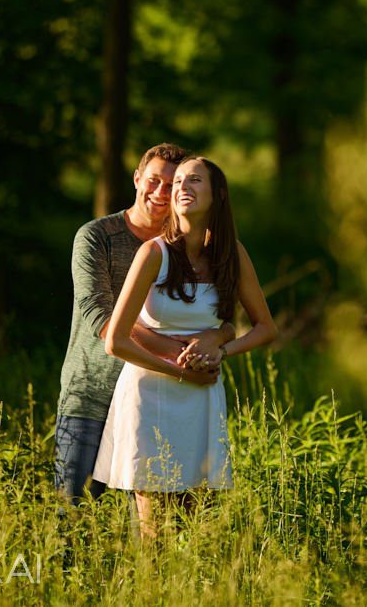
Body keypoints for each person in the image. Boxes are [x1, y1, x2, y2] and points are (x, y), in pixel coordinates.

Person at [93, 156, 277, 538]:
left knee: (198, 524)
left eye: (194, 180)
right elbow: (116, 340)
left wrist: (220, 349)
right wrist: (180, 371)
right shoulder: (154, 254)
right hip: (151, 393)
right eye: (177, 182)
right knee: (155, 531)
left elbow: (265, 328)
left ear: (218, 194)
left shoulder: (231, 255)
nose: (180, 188)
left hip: (204, 394)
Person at [55, 143, 236, 506]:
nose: (161, 192)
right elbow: (100, 315)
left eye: (172, 185)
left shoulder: (187, 248)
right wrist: (184, 357)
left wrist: (216, 338)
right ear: (137, 179)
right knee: (73, 515)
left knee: (150, 523)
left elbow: (218, 315)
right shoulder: (97, 237)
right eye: (153, 181)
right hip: (92, 394)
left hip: (157, 397)